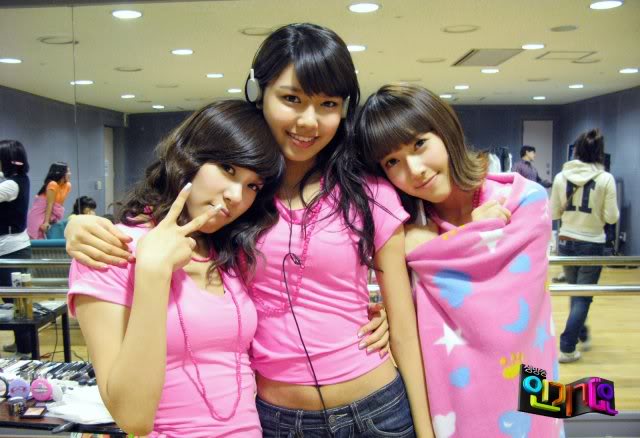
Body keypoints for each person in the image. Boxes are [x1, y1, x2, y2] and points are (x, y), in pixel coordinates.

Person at [64, 23, 430, 438]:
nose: (309, 121)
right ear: (259, 92)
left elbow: (405, 330)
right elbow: (164, 219)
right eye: (291, 99)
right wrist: (79, 226)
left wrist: (426, 431)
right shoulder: (241, 203)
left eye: (328, 104)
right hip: (277, 421)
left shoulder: (368, 191)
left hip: (377, 409)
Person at [356, 84, 563, 437]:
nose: (414, 169)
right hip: (453, 404)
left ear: (445, 130)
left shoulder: (523, 199)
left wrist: (446, 241)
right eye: (392, 162)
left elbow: (506, 312)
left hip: (530, 387)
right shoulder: (402, 230)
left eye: (419, 144)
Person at [69, 100, 286, 436]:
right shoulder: (113, 249)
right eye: (227, 168)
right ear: (189, 156)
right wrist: (153, 273)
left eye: (252, 185)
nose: (236, 195)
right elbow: (132, 417)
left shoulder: (228, 253)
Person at [551, 128, 619, 363]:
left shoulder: (561, 177)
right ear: (600, 152)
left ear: (576, 150)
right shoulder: (606, 179)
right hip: (591, 243)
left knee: (575, 291)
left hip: (566, 241)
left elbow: (553, 212)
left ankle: (581, 333)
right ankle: (567, 347)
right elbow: (612, 217)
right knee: (582, 296)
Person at [0, 140, 33, 355]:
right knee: (12, 301)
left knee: (16, 302)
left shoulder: (11, 185)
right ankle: (20, 343)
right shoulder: (17, 180)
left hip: (12, 249)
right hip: (10, 247)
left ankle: (25, 349)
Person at [26, 162, 72, 239]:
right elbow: (49, 204)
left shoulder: (68, 185)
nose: (70, 174)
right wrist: (46, 222)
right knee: (36, 240)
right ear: (61, 173)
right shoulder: (52, 184)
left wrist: (54, 218)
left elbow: (59, 205)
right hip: (39, 214)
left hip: (51, 215)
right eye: (67, 171)